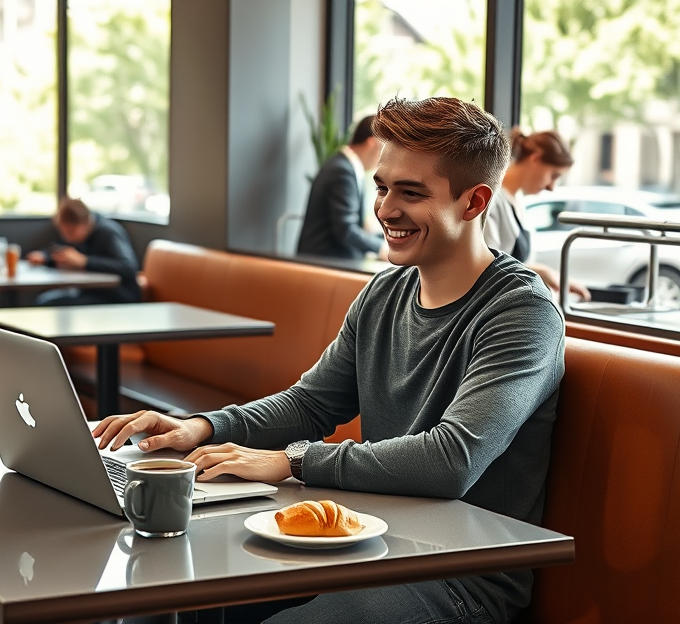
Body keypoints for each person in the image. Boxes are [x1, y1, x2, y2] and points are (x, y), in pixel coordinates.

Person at [94, 98, 565, 624]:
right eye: (383, 187)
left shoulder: (521, 313)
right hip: (364, 542)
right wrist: (201, 427)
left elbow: (452, 459)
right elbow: (310, 404)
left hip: (455, 579)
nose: (385, 209)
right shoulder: (384, 294)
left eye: (411, 193)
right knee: (169, 594)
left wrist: (294, 460)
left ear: (475, 202)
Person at [485, 128, 591, 301]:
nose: (552, 187)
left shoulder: (516, 200)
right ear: (535, 157)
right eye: (553, 175)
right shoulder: (492, 200)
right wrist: (539, 271)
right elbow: (485, 269)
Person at [296, 116, 386, 260]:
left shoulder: (346, 166)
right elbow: (345, 229)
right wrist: (381, 248)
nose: (384, 157)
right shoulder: (342, 171)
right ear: (372, 143)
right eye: (383, 149)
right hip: (323, 263)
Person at [27, 197, 141, 306]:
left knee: (50, 304)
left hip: (115, 297)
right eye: (63, 232)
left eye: (70, 232)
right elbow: (61, 249)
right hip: (90, 291)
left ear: (85, 223)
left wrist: (84, 261)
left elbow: (128, 266)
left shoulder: (108, 232)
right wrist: (45, 257)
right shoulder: (74, 236)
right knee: (44, 300)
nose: (67, 237)